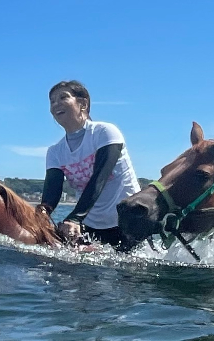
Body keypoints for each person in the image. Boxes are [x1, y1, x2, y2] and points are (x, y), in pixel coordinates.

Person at [39, 80, 142, 250]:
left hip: (127, 222)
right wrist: (40, 215)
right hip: (90, 226)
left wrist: (74, 217)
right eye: (52, 101)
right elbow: (52, 194)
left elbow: (99, 178)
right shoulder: (55, 152)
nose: (56, 104)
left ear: (83, 104)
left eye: (63, 97)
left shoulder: (105, 132)